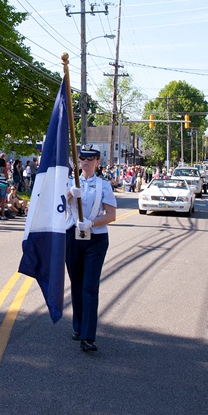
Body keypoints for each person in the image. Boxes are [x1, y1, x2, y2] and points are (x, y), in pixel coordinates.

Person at [65, 144, 117, 352]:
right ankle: (78, 326)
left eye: (90, 158)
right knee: (76, 284)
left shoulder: (103, 185)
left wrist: (92, 223)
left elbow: (111, 215)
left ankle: (88, 335)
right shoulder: (69, 181)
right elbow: (58, 205)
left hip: (95, 239)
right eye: (82, 158)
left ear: (97, 162)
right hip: (73, 236)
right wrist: (69, 193)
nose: (85, 162)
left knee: (90, 286)